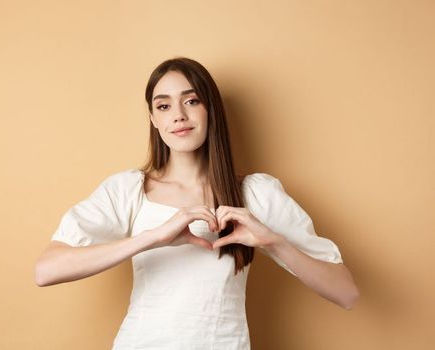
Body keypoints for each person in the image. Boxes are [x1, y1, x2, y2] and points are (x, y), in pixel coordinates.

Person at [34, 57, 359, 349]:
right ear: (153, 118)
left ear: (211, 110)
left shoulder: (256, 193)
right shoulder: (128, 190)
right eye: (163, 107)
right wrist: (152, 238)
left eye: (191, 101)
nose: (178, 115)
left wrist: (272, 242)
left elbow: (346, 293)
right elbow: (47, 270)